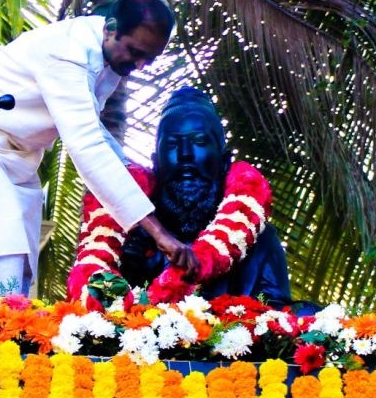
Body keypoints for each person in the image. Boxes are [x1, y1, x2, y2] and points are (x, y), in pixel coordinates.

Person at [0, 0, 194, 297]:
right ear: (111, 28)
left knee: (21, 274)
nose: (140, 65)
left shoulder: (108, 54)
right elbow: (85, 145)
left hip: (21, 160)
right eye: (135, 52)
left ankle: (7, 342)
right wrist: (158, 233)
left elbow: (94, 129)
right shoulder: (67, 53)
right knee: (3, 264)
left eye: (149, 59)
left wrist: (134, 171)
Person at [114, 87, 291, 301]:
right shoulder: (132, 236)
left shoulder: (258, 240)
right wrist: (131, 265)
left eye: (198, 141)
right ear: (155, 162)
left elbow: (278, 313)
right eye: (172, 144)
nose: (185, 155)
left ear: (225, 161)